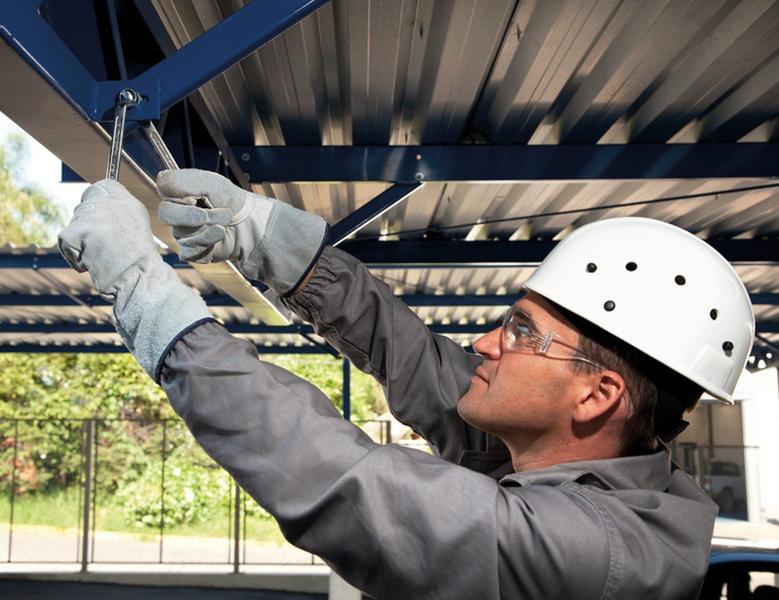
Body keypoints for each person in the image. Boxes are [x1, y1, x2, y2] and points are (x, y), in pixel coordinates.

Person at [58, 169, 755, 599]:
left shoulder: (590, 558)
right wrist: (273, 239)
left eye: (517, 332)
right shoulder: (604, 474)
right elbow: (418, 361)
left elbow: (343, 480)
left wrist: (144, 294)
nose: (484, 342)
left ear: (595, 394)